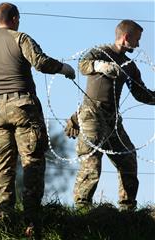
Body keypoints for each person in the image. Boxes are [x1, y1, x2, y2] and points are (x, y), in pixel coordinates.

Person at [0, 2, 75, 237]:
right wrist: (63, 68)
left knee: (3, 162)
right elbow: (39, 62)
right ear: (15, 18)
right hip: (23, 107)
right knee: (32, 161)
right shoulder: (20, 39)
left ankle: (2, 214)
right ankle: (31, 220)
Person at [66, 20, 155, 211]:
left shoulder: (130, 66)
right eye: (137, 40)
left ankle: (127, 208)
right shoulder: (100, 52)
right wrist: (100, 66)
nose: (138, 45)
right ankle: (82, 210)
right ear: (126, 37)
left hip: (112, 118)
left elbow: (141, 94)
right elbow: (83, 64)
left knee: (128, 157)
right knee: (92, 162)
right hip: (92, 114)